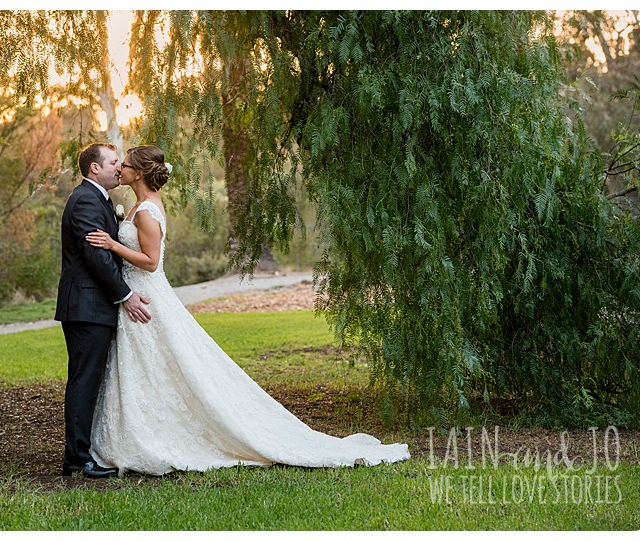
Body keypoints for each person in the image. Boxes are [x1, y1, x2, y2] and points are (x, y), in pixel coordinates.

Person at [85, 145, 409, 476]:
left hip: (146, 293)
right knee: (149, 366)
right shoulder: (138, 206)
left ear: (137, 173)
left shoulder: (147, 212)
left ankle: (160, 434)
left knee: (161, 363)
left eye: (123, 165)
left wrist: (113, 245)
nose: (120, 169)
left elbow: (152, 263)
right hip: (137, 295)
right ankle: (142, 429)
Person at [55, 142, 151, 478]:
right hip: (85, 306)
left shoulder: (100, 200)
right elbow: (96, 256)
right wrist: (126, 295)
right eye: (113, 162)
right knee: (84, 381)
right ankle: (77, 459)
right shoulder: (84, 201)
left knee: (90, 380)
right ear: (94, 168)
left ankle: (83, 452)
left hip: (93, 306)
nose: (118, 167)